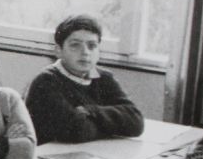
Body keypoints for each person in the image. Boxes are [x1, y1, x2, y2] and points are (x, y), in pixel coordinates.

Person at [24, 14, 144, 143]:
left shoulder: (104, 78)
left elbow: (136, 122)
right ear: (58, 50)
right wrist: (112, 124)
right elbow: (77, 131)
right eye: (75, 45)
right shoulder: (45, 81)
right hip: (47, 156)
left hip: (92, 152)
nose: (85, 52)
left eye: (92, 46)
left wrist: (91, 110)